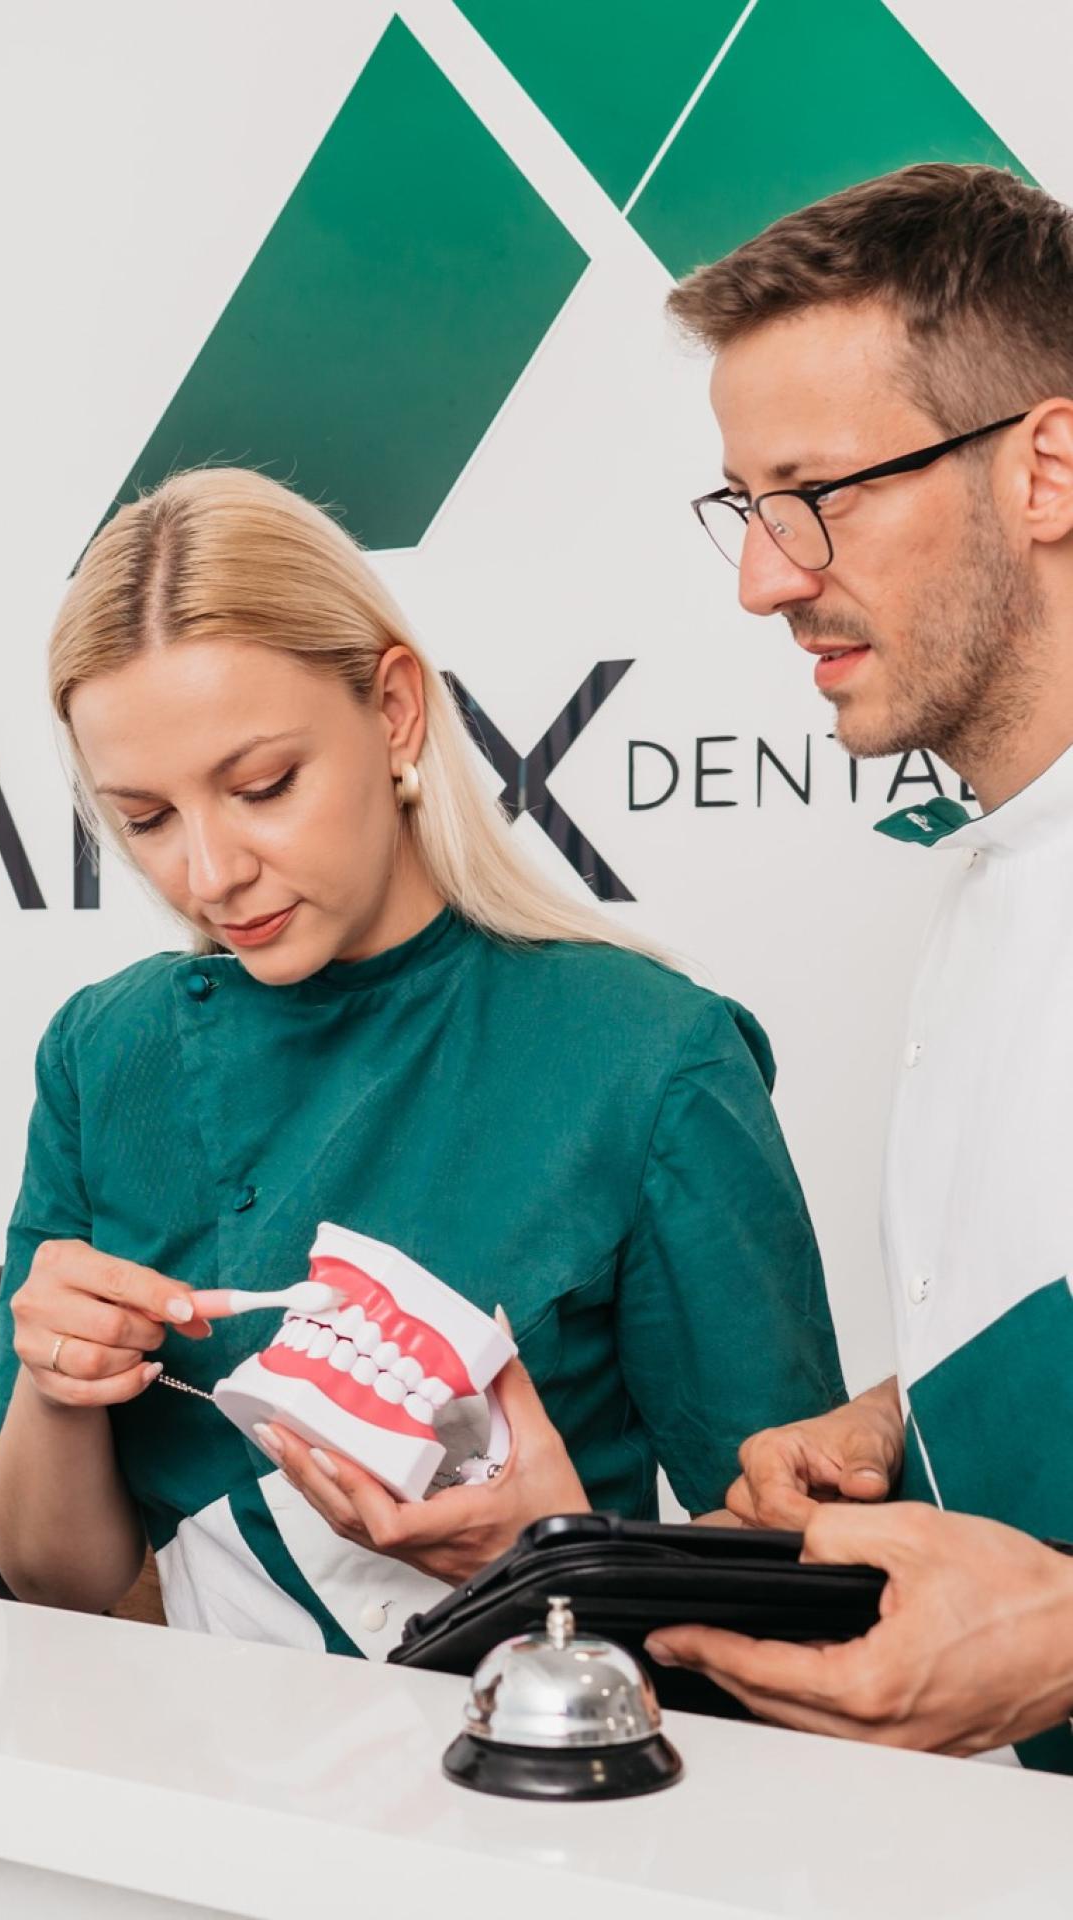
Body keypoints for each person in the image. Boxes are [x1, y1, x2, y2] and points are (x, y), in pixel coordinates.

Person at [0, 467, 846, 1657]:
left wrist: (547, 1552)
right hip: (176, 1747)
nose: (209, 873)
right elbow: (55, 1582)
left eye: (263, 787)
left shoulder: (648, 1056)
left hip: (525, 1738)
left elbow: (797, 1573)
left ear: (393, 711)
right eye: (147, 819)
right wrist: (55, 1384)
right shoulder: (104, 1053)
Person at [642, 164, 1073, 1770]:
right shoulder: (994, 880)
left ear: (1046, 469)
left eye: (816, 494)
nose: (763, 578)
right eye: (746, 508)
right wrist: (906, 1421)